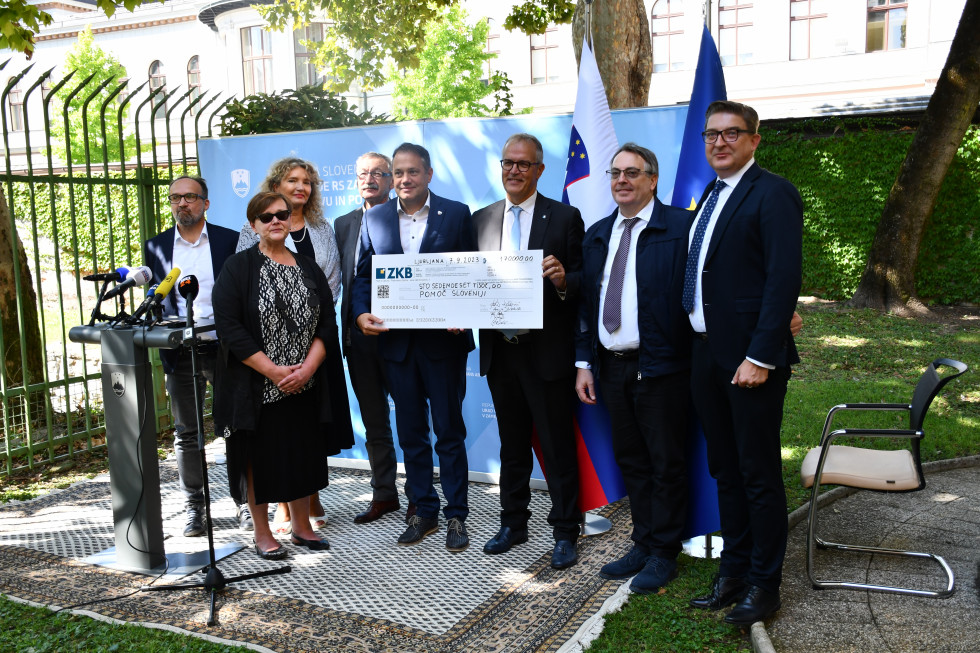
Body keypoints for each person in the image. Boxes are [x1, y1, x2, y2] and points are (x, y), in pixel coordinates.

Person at [685, 101, 803, 626]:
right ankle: (732, 571)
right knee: (725, 471)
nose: (720, 142)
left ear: (755, 140)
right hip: (707, 355)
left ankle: (764, 583)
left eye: (733, 134)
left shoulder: (773, 193)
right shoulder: (708, 196)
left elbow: (783, 280)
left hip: (749, 360)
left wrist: (760, 353)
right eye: (712, 134)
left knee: (757, 474)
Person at [575, 143, 693, 594]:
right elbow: (587, 305)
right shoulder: (598, 233)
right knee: (633, 461)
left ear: (652, 179)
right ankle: (644, 541)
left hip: (661, 367)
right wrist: (584, 362)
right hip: (611, 367)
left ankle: (665, 552)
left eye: (632, 173)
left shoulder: (681, 227)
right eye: (615, 173)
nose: (621, 180)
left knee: (665, 463)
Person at [213, 191, 353, 559]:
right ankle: (263, 533)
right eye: (265, 216)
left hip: (306, 384)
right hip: (257, 386)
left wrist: (306, 369)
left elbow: (326, 321)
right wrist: (274, 371)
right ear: (253, 225)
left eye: (282, 214)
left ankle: (302, 526)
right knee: (257, 459)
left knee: (304, 453)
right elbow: (230, 327)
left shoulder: (308, 266)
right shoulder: (237, 267)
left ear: (291, 219)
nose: (275, 220)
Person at [353, 142, 476, 552]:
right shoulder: (376, 217)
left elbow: (472, 271)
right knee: (411, 435)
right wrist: (359, 315)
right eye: (399, 173)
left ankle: (457, 514)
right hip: (397, 347)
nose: (405, 180)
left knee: (449, 431)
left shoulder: (457, 214)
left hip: (444, 344)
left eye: (412, 172)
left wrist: (465, 310)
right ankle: (423, 510)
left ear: (428, 174)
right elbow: (361, 279)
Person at [472, 133, 583, 569]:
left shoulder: (565, 217)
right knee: (512, 445)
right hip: (501, 351)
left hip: (546, 352)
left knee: (556, 447)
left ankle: (565, 530)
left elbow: (582, 281)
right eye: (507, 163)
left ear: (539, 170)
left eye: (523, 164)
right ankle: (513, 522)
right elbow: (469, 279)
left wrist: (561, 280)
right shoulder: (481, 219)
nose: (514, 170)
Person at [237, 157, 341, 534]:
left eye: (307, 182)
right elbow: (244, 292)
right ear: (275, 187)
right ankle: (281, 509)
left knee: (308, 429)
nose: (301, 187)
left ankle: (308, 501)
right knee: (272, 433)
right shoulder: (255, 229)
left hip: (314, 345)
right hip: (266, 354)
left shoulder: (321, 228)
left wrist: (311, 341)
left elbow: (331, 281)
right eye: (292, 180)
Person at [144, 175, 251, 536]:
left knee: (234, 428)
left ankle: (245, 505)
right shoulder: (156, 247)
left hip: (224, 348)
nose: (181, 203)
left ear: (206, 203)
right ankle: (195, 508)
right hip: (179, 351)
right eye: (175, 197)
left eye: (189, 197)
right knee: (186, 433)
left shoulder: (228, 241)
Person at [334, 152, 406, 523]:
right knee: (374, 421)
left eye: (379, 173)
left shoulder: (405, 217)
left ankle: (421, 496)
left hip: (402, 336)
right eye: (364, 173)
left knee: (411, 418)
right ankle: (384, 494)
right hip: (359, 339)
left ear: (392, 180)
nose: (370, 179)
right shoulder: (344, 223)